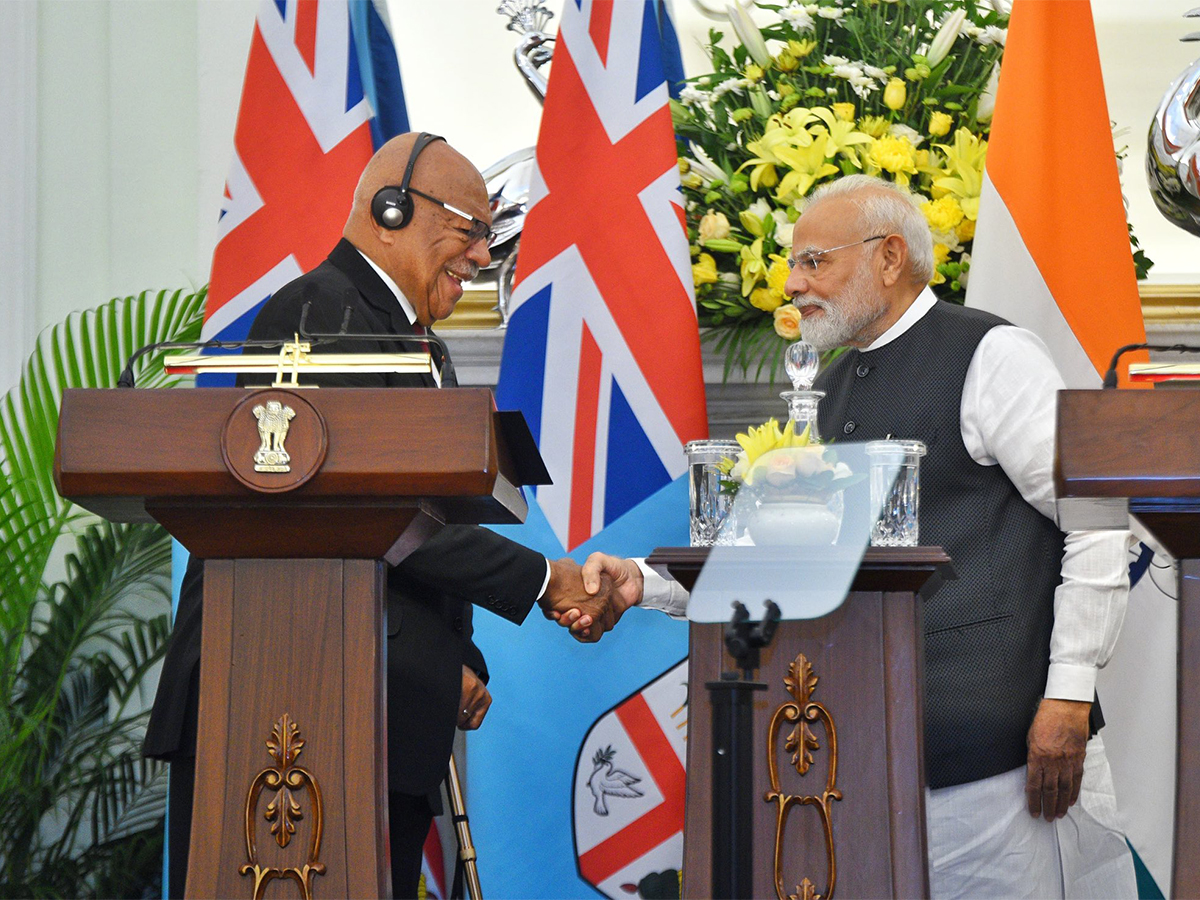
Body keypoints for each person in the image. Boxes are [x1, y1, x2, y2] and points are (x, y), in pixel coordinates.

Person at [579, 174, 1137, 898]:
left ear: (889, 256)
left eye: (815, 261)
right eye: (792, 265)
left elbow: (1095, 521)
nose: (792, 284)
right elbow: (788, 565)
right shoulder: (832, 390)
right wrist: (642, 583)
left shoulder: (994, 355)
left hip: (1001, 765)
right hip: (868, 763)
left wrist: (1068, 695)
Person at [144, 133, 632, 899]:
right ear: (392, 209)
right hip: (280, 695)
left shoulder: (412, 343)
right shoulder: (322, 309)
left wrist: (455, 659)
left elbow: (415, 513)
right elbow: (362, 508)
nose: (479, 258)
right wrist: (545, 580)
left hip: (366, 702)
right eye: (471, 231)